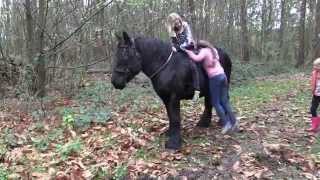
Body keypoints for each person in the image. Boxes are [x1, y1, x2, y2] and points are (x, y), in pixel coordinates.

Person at [182, 40, 237, 133]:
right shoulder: (214, 50)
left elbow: (196, 58)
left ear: (200, 47)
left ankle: (226, 123)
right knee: (224, 101)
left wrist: (188, 52)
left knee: (215, 102)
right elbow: (214, 61)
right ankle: (234, 122)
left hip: (215, 78)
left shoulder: (204, 51)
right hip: (223, 76)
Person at [309, 58, 320, 132]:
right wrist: (312, 90)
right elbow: (313, 82)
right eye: (314, 66)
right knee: (313, 109)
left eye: (316, 66)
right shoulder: (314, 73)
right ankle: (315, 125)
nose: (314, 67)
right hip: (316, 94)